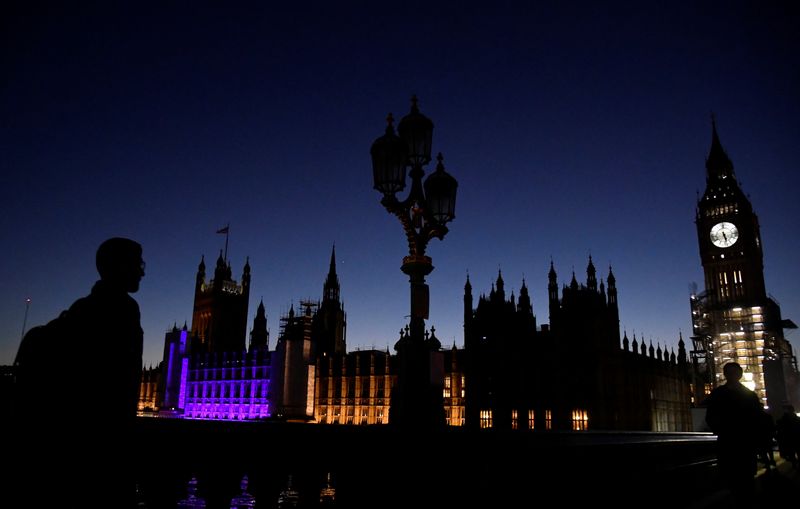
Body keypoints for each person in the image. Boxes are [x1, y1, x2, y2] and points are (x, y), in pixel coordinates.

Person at [11, 237, 145, 508]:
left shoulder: (84, 309)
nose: (142, 270)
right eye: (137, 263)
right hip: (95, 450)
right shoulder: (118, 309)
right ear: (118, 267)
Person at [704, 362, 763, 500]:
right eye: (729, 373)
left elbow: (757, 418)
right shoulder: (718, 394)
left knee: (746, 479)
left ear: (740, 374)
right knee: (731, 479)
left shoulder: (750, 395)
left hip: (745, 443)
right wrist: (721, 429)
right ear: (725, 375)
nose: (732, 375)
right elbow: (710, 416)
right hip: (728, 442)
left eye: (735, 373)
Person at [776, 404, 800, 469]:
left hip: (789, 439)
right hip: (796, 438)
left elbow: (780, 429)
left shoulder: (783, 420)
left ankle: (794, 464)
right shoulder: (797, 419)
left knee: (792, 453)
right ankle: (795, 464)